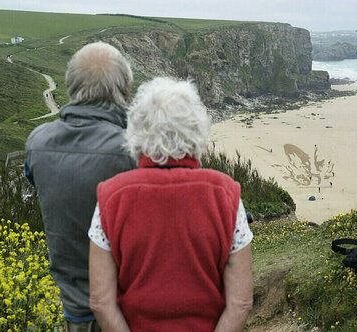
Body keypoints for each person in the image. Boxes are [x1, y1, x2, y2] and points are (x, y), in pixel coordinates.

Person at [88, 77, 253, 331]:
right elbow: (240, 303)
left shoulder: (111, 196)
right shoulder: (226, 194)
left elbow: (101, 302)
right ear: (197, 129)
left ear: (137, 131)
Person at [24, 41, 137, 331]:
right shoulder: (132, 149)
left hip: (74, 307)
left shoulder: (37, 143)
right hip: (127, 310)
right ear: (124, 91)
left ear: (70, 88)